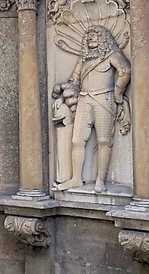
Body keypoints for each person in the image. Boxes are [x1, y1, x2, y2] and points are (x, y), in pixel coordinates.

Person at [54, 25, 130, 193]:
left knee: (104, 141)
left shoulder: (112, 54)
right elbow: (74, 80)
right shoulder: (84, 58)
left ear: (104, 38)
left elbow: (125, 71)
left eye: (95, 36)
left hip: (104, 99)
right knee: (77, 141)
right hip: (84, 99)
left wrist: (118, 94)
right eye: (88, 36)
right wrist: (61, 95)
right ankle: (75, 179)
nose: (90, 39)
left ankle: (100, 180)